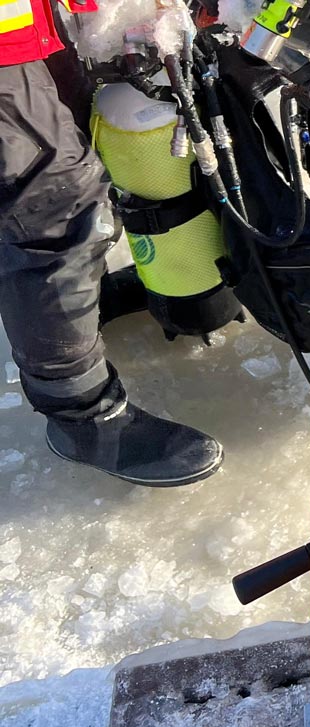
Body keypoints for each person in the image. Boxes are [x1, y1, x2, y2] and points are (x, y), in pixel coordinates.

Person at [0, 0, 223, 487]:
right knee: (49, 209)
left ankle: (83, 305)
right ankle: (82, 417)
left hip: (22, 24)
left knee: (85, 133)